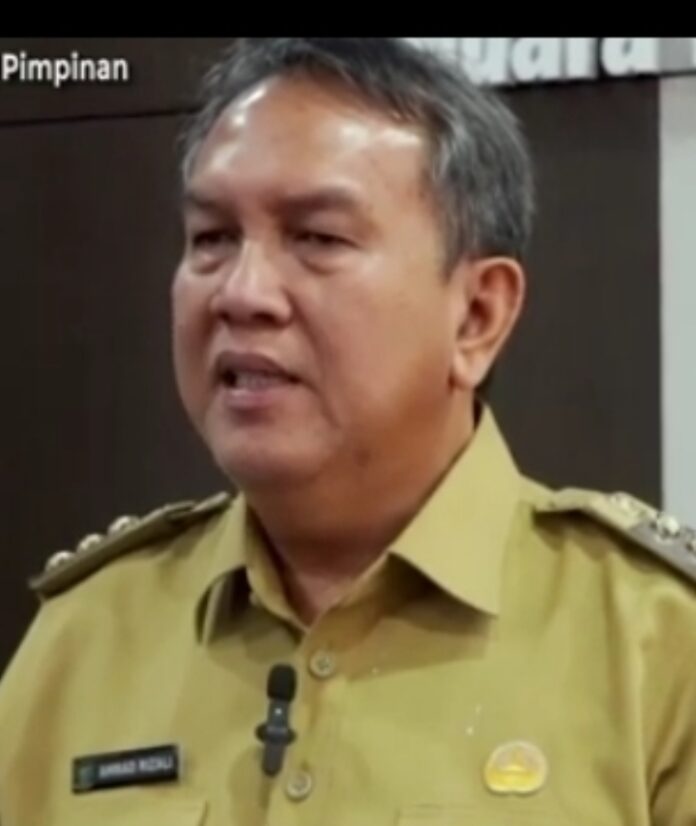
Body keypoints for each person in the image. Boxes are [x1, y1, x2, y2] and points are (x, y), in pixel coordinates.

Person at [1, 37, 695, 826]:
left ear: (476, 316)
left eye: (318, 239)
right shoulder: (86, 638)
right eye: (212, 238)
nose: (243, 293)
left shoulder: (656, 643)